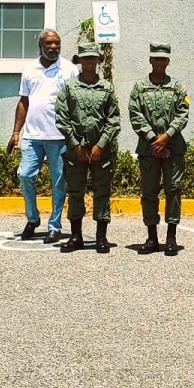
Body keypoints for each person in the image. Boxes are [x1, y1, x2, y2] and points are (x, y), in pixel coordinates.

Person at [55, 42, 120, 254]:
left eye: (93, 58)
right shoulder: (69, 87)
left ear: (98, 60)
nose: (90, 62)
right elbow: (62, 117)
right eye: (86, 58)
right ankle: (76, 236)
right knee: (75, 192)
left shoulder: (107, 88)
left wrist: (101, 145)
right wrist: (75, 144)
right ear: (80, 61)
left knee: (102, 192)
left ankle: (101, 237)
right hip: (76, 151)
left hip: (101, 151)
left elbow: (113, 120)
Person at [7, 29, 69, 244]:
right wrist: (16, 132)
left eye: (57, 43)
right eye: (49, 43)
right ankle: (32, 219)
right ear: (41, 45)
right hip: (32, 136)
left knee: (59, 182)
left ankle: (55, 225)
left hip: (59, 136)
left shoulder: (69, 69)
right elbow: (24, 102)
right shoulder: (29, 69)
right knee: (25, 175)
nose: (53, 47)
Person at [130, 43, 191, 256]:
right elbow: (135, 115)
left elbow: (183, 113)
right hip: (148, 149)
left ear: (168, 62)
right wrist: (153, 139)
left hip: (173, 147)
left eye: (162, 59)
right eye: (155, 59)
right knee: (149, 192)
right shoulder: (139, 88)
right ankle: (152, 237)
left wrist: (166, 137)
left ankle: (171, 238)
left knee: (173, 190)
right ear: (150, 61)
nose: (159, 62)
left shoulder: (177, 87)